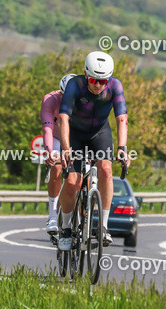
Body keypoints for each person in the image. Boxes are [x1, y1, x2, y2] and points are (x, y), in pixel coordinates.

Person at [56, 50, 129, 250]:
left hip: (100, 133)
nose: (97, 85)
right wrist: (65, 148)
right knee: (72, 181)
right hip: (75, 135)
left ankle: (103, 226)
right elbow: (63, 118)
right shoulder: (75, 85)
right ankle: (66, 228)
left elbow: (122, 118)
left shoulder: (115, 86)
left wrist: (122, 147)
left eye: (102, 81)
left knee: (106, 169)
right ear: (86, 75)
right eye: (93, 80)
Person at [40, 73, 78, 234]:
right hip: (55, 137)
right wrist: (50, 152)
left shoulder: (84, 101)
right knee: (56, 167)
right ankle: (53, 215)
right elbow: (48, 128)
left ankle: (84, 214)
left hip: (76, 139)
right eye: (64, 96)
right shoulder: (50, 100)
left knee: (82, 174)